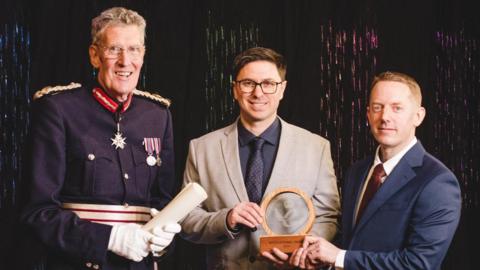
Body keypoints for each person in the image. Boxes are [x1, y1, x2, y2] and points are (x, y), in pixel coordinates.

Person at [20, 7, 181, 270]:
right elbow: (38, 213)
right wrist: (110, 238)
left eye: (133, 49)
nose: (124, 61)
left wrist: (164, 242)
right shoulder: (59, 109)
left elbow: (162, 203)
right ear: (95, 55)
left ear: (143, 54)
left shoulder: (158, 115)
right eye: (114, 49)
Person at [180, 47, 341, 269]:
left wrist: (301, 250)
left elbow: (327, 217)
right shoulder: (202, 148)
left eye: (268, 83)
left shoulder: (316, 147)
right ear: (235, 89)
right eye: (248, 83)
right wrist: (226, 220)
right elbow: (187, 219)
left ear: (282, 89)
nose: (258, 93)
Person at [290, 71, 461, 270]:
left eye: (397, 108)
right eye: (378, 107)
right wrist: (316, 256)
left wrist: (339, 257)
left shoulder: (437, 182)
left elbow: (419, 264)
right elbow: (350, 242)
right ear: (368, 114)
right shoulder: (357, 171)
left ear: (418, 116)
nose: (385, 117)